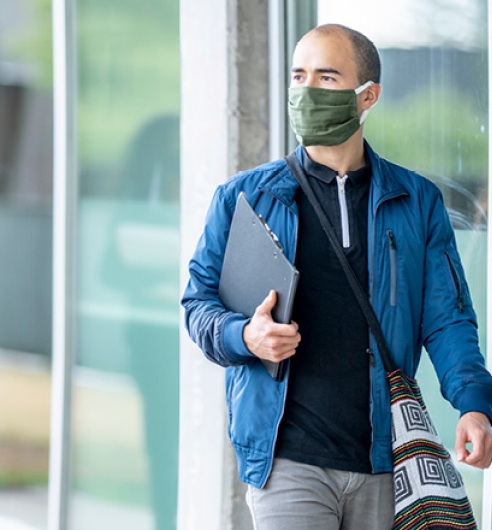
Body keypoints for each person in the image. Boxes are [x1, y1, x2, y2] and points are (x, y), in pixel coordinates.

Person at [181, 24, 492, 530]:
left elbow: (447, 320)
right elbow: (198, 306)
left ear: (367, 96)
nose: (308, 91)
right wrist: (246, 335)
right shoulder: (244, 198)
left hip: (383, 462)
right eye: (299, 76)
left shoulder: (416, 201)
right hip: (287, 460)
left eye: (326, 77)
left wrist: (475, 404)